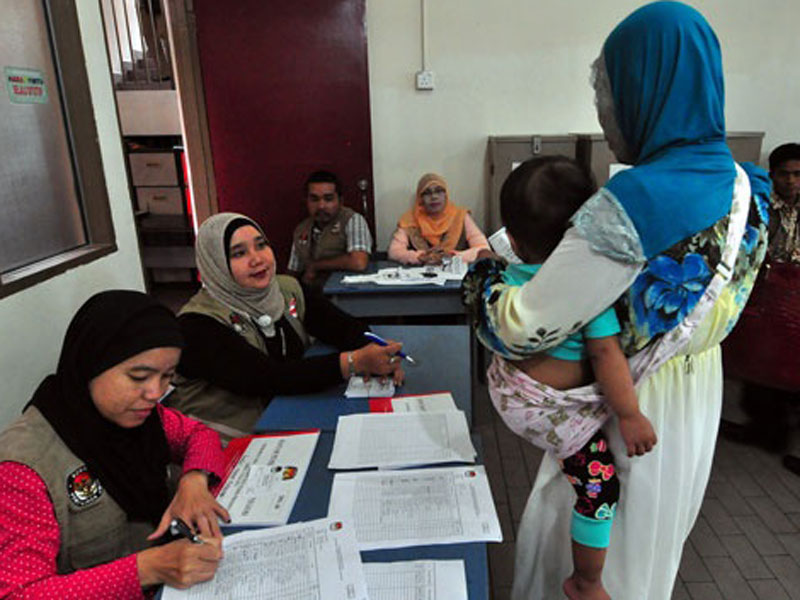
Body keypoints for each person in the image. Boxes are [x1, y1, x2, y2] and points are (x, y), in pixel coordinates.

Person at [464, 3, 771, 598]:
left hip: (627, 402)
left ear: (647, 88)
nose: (603, 111)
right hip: (697, 395)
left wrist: (478, 280)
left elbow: (521, 327)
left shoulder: (632, 204)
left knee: (591, 542)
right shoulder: (747, 186)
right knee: (654, 548)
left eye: (610, 89)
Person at [465, 155, 657, 599]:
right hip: (552, 413)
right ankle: (586, 581)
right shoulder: (591, 289)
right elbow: (606, 352)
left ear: (512, 237)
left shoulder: (509, 276)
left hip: (508, 393)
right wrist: (629, 415)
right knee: (600, 487)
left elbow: (485, 276)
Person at [0, 290, 229, 597]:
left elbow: (198, 435)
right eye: (138, 377)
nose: (154, 392)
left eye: (167, 377)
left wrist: (194, 483)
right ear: (92, 362)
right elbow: (21, 593)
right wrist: (148, 568)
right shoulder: (23, 468)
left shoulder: (145, 419)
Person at [167, 212, 403, 440]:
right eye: (239, 253)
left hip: (286, 418)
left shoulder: (285, 289)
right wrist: (354, 362)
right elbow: (265, 377)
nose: (257, 258)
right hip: (223, 442)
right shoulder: (195, 325)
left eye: (261, 245)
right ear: (215, 264)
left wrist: (379, 353)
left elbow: (342, 326)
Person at [723, 143, 800, 462]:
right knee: (761, 360)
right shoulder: (759, 205)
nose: (792, 182)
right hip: (767, 291)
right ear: (772, 175)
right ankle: (764, 428)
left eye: (798, 175)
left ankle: (774, 428)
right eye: (784, 175)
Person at [287, 170, 372, 288]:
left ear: (340, 201)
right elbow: (292, 272)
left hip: (343, 294)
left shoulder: (352, 220)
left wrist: (316, 266)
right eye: (314, 199)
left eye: (328, 199)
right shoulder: (301, 229)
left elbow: (359, 262)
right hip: (310, 294)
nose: (321, 206)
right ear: (306, 201)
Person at [388, 172, 489, 265]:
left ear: (446, 195)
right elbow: (394, 252)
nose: (434, 197)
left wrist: (454, 257)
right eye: (427, 193)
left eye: (439, 191)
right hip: (421, 278)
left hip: (455, 277)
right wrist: (419, 257)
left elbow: (483, 249)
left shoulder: (460, 216)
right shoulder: (409, 220)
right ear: (420, 199)